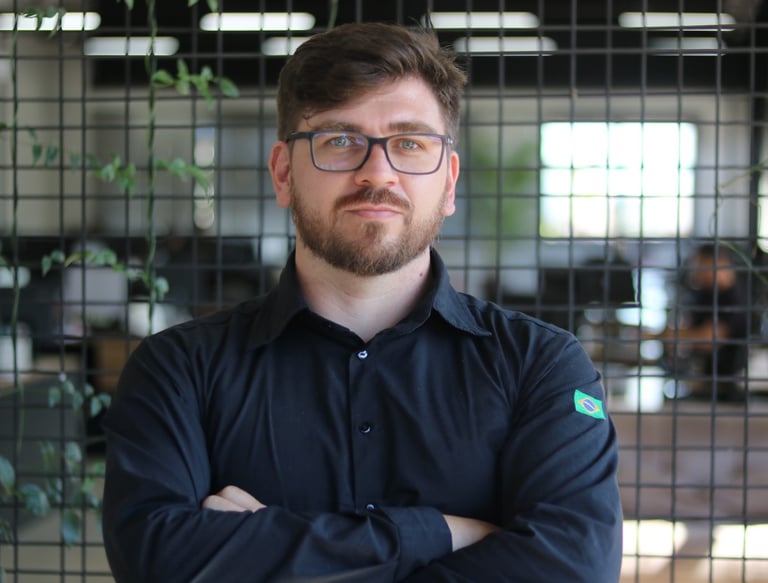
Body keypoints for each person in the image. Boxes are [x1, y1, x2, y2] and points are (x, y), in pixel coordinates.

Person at [102, 22, 623, 582]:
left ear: (448, 181)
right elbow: (156, 562)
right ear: (284, 173)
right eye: (340, 141)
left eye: (410, 144)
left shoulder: (540, 366)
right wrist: (442, 534)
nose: (378, 173)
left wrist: (264, 550)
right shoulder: (179, 371)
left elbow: (577, 568)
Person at [657, 243, 750, 401]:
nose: (696, 272)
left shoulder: (734, 298)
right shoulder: (706, 294)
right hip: (705, 384)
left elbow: (709, 339)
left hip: (727, 390)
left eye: (701, 266)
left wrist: (669, 336)